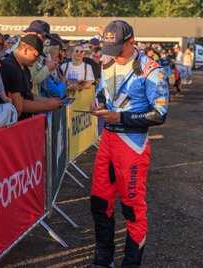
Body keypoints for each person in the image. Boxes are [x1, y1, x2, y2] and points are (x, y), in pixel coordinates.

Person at [89, 20, 169, 268]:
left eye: (118, 51)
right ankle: (103, 260)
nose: (115, 57)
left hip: (132, 146)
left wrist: (120, 117)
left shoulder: (152, 70)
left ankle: (130, 264)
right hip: (108, 141)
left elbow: (160, 114)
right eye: (109, 50)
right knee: (99, 204)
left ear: (131, 42)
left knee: (132, 209)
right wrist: (98, 103)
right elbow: (103, 92)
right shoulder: (107, 60)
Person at [0, 34, 62, 120]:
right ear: (25, 50)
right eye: (36, 56)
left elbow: (28, 94)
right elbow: (19, 103)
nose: (37, 60)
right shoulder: (9, 67)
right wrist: (47, 105)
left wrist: (48, 101)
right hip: (15, 122)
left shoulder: (25, 68)